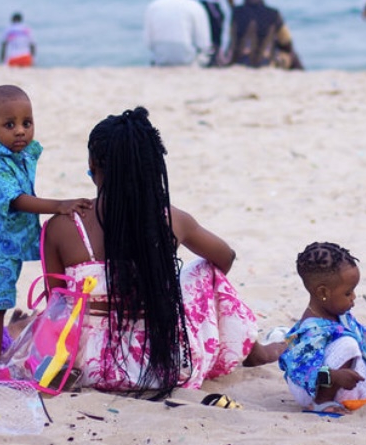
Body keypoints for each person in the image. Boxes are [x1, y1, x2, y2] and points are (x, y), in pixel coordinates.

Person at [42, 107, 283, 397]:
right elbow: (225, 258)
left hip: (88, 368)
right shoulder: (170, 219)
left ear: (93, 164)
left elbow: (56, 305)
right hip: (162, 365)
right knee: (204, 270)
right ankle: (255, 350)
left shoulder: (61, 226)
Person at [0, 85, 92, 377]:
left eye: (26, 123)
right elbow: (17, 200)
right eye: (10, 125)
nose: (20, 131)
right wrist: (59, 205)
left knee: (0, 301)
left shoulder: (14, 157)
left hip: (4, 243)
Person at [278, 242, 366, 412]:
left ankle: (342, 395)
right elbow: (301, 368)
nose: (354, 297)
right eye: (348, 293)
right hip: (312, 387)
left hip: (339, 377)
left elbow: (361, 333)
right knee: (347, 344)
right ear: (323, 293)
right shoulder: (311, 329)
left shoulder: (341, 316)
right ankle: (322, 402)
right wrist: (334, 376)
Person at [222, 0, 303, 70]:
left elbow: (232, 38)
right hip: (266, 61)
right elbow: (286, 41)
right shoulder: (273, 14)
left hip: (237, 60)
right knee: (291, 55)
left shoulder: (237, 13)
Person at [143, 0, 211, 67]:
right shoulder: (195, 5)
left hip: (160, 56)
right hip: (186, 57)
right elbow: (203, 42)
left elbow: (148, 41)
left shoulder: (154, 5)